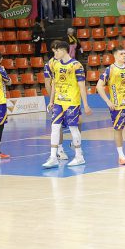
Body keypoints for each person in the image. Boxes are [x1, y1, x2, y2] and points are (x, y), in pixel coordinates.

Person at [42, 40, 91, 168]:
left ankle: (79, 156)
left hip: (72, 103)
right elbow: (54, 85)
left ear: (64, 50)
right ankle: (53, 157)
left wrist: (85, 104)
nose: (55, 54)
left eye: (56, 51)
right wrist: (51, 101)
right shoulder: (56, 65)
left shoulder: (76, 65)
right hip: (58, 102)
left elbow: (81, 87)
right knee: (55, 128)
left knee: (74, 128)